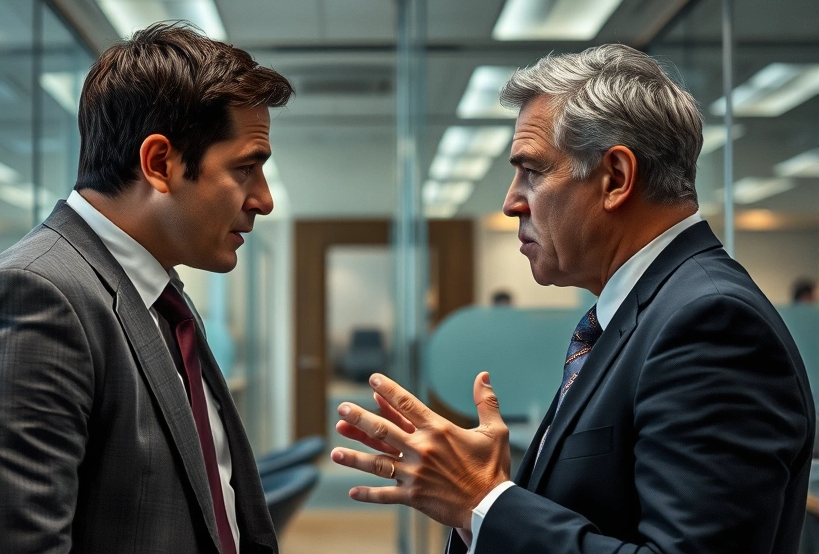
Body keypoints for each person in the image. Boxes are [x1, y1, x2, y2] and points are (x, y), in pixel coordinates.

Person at [331, 44, 814, 553]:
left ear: (616, 179)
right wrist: (495, 495)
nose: (511, 200)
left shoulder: (710, 324)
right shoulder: (638, 314)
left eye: (532, 171)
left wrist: (483, 500)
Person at [0, 22, 292, 553]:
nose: (264, 199)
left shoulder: (158, 299)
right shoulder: (32, 302)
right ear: (160, 163)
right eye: (246, 168)